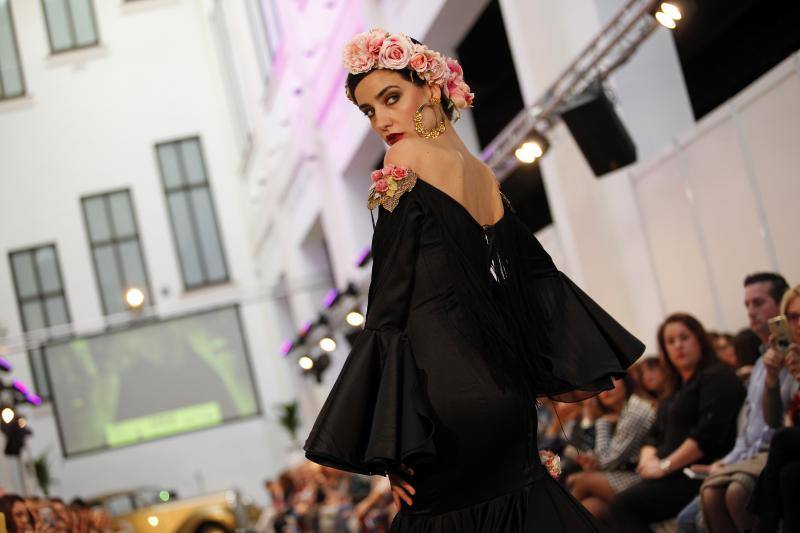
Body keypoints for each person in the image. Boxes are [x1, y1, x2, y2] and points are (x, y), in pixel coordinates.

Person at [304, 29, 645, 532]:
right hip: (504, 392)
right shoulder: (483, 176)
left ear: (431, 87)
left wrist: (389, 444)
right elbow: (532, 278)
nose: (381, 121)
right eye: (369, 110)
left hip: (445, 400)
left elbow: (389, 303)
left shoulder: (404, 161)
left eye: (391, 98)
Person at [677, 274, 795, 533]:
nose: (751, 312)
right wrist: (727, 461)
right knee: (693, 513)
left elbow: (775, 429)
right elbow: (749, 432)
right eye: (747, 305)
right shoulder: (759, 366)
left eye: (758, 303)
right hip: (748, 458)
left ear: (781, 307)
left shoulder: (789, 358)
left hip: (772, 456)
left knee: (732, 493)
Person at [609, 313, 746, 533]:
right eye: (670, 341)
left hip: (697, 471)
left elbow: (706, 438)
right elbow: (654, 434)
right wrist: (648, 458)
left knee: (622, 505)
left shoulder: (718, 377)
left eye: (684, 337)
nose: (678, 346)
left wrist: (664, 466)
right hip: (669, 471)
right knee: (604, 506)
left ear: (699, 339)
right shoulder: (675, 387)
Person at [567, 375, 656, 525]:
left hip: (640, 477)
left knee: (581, 481)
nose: (606, 388)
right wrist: (594, 463)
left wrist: (602, 423)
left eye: (613, 378)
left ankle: (559, 524)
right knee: (590, 507)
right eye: (599, 384)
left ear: (625, 380)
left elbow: (607, 461)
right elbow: (606, 458)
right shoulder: (621, 411)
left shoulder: (635, 410)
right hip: (622, 473)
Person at [748, 284, 800, 532]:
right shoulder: (791, 354)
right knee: (789, 476)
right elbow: (774, 420)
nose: (798, 323)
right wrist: (771, 378)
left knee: (781, 441)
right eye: (792, 317)